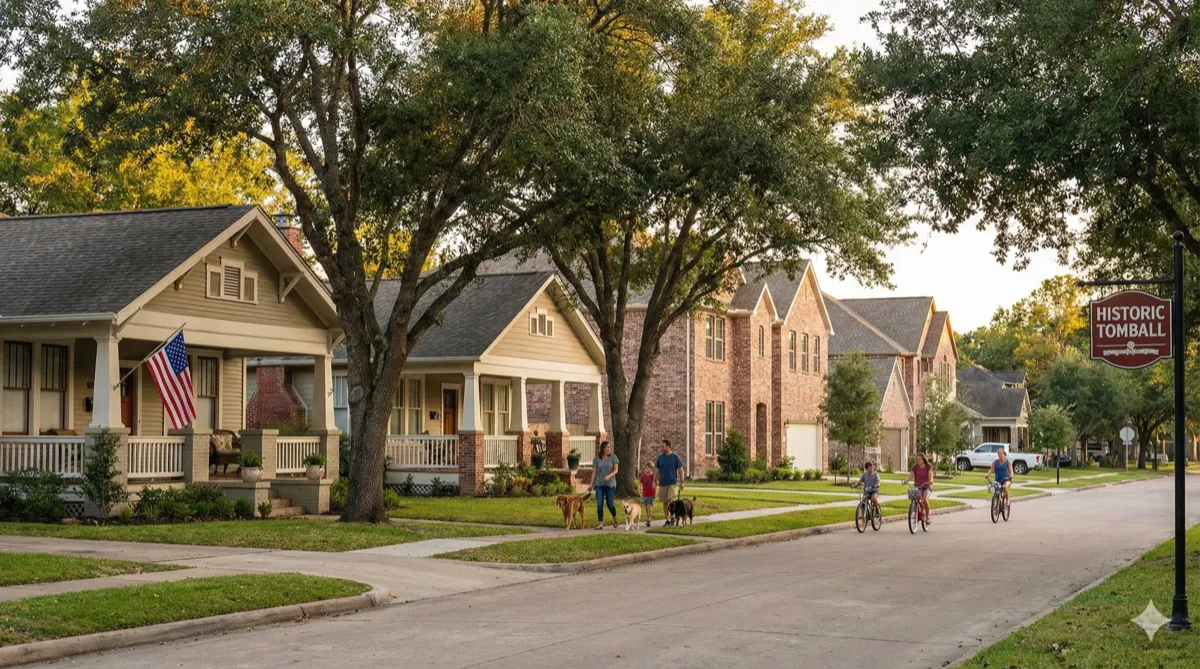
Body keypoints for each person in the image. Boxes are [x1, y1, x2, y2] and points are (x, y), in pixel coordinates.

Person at [589, 440, 619, 529]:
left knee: (610, 504)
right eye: (607, 447)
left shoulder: (613, 457)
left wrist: (609, 476)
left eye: (610, 447)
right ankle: (601, 523)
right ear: (602, 448)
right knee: (599, 504)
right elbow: (594, 472)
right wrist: (591, 484)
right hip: (599, 484)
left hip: (610, 484)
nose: (609, 449)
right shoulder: (596, 459)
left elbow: (616, 470)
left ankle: (614, 517)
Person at [655, 439, 685, 526]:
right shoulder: (660, 458)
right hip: (662, 483)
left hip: (672, 482)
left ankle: (672, 516)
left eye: (663, 447)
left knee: (671, 500)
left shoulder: (675, 457)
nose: (662, 448)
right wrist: (654, 480)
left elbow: (680, 470)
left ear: (668, 446)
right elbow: (656, 469)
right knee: (665, 502)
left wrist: (682, 482)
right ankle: (667, 519)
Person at [904, 454, 935, 525]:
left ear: (923, 459)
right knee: (913, 498)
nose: (918, 460)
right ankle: (916, 513)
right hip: (917, 486)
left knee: (925, 500)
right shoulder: (915, 467)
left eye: (919, 459)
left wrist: (930, 481)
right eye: (917, 459)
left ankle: (927, 516)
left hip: (927, 486)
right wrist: (906, 481)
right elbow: (910, 476)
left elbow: (930, 476)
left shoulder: (928, 467)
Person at [639, 462, 657, 528]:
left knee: (649, 506)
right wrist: (640, 489)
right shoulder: (643, 476)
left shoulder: (653, 476)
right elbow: (641, 483)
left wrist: (655, 493)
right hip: (645, 493)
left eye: (648, 468)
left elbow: (655, 485)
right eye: (646, 468)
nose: (647, 469)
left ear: (652, 469)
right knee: (646, 506)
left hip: (651, 493)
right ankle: (648, 517)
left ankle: (649, 518)